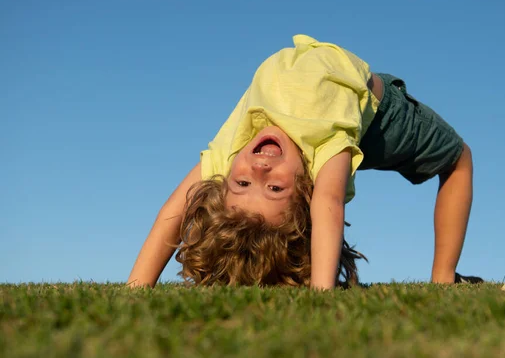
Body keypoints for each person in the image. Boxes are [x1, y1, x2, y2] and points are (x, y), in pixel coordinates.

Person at [127, 35, 481, 290]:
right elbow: (329, 202)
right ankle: (444, 280)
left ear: (227, 180)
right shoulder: (325, 141)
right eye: (275, 188)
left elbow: (172, 214)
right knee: (458, 158)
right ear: (305, 190)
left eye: (243, 184)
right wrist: (321, 293)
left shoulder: (233, 151)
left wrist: (135, 289)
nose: (259, 170)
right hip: (380, 118)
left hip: (343, 101)